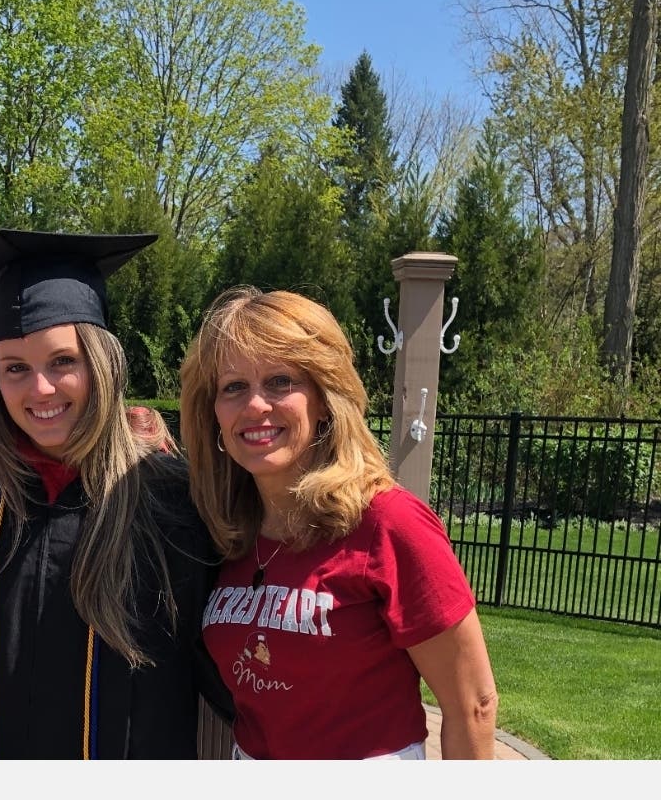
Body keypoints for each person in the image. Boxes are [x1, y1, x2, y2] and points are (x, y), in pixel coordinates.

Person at [0, 229, 229, 759]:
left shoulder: (170, 499)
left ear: (102, 363)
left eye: (62, 362)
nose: (40, 389)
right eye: (16, 368)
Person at [179, 286, 498, 760]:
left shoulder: (388, 523)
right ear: (214, 414)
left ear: (325, 398)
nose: (256, 405)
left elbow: (473, 704)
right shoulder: (227, 528)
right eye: (233, 387)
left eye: (281, 381)